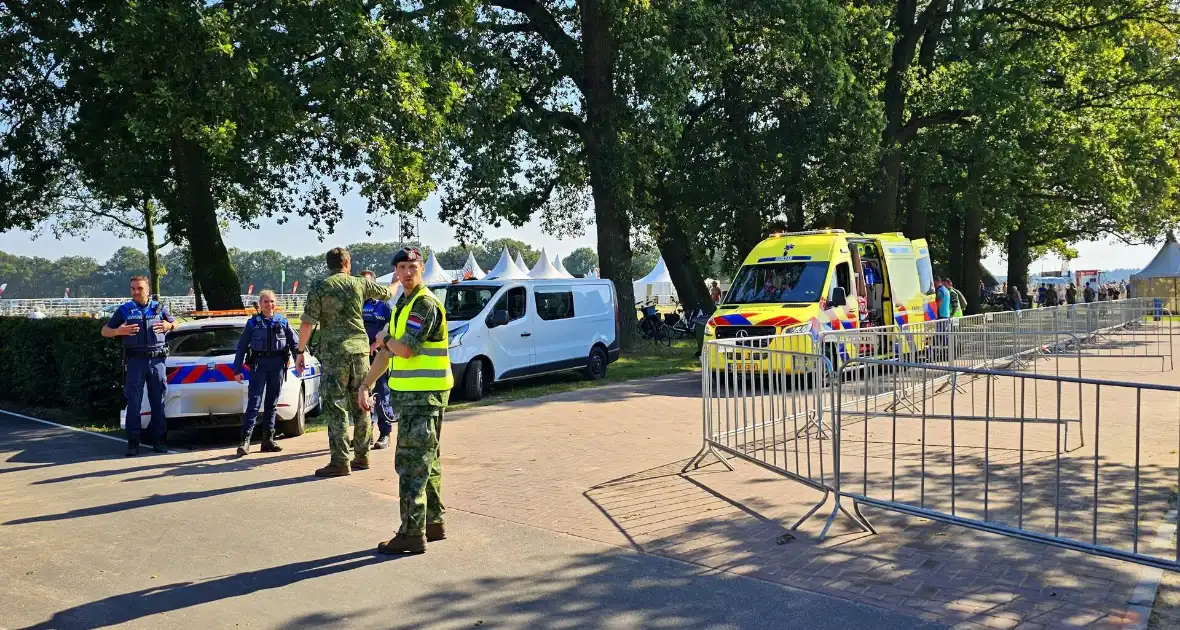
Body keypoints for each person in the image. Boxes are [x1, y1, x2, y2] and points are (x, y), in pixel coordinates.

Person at [359, 247, 453, 555]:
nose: (407, 271)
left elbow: (405, 349)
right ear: (396, 273)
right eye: (402, 267)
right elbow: (388, 352)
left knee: (411, 465)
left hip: (423, 398)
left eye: (412, 266)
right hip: (415, 398)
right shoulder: (403, 304)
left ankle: (412, 533)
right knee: (428, 461)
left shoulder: (423, 304)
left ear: (421, 268)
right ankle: (433, 522)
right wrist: (366, 383)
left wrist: (385, 339)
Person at [296, 247, 393, 477]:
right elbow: (388, 293)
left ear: (329, 265)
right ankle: (362, 456)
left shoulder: (320, 286)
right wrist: (397, 282)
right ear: (347, 264)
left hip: (334, 353)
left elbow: (308, 323)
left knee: (336, 405)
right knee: (361, 401)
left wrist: (300, 351)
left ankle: (340, 460)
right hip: (360, 351)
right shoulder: (360, 283)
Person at [102, 276, 176, 456]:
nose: (136, 292)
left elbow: (175, 323)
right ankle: (133, 442)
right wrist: (119, 331)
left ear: (148, 289)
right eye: (133, 288)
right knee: (134, 403)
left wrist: (168, 325)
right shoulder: (125, 310)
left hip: (157, 361)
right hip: (135, 362)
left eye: (140, 288)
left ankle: (159, 440)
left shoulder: (159, 308)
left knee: (157, 402)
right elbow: (104, 331)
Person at [232, 290, 299, 456]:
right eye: (266, 302)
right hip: (259, 365)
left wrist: (299, 361)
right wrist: (236, 370)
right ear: (260, 305)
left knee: (272, 402)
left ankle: (268, 439)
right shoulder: (253, 323)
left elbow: (294, 344)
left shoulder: (282, 321)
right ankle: (245, 441)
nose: (269, 305)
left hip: (277, 365)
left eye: (272, 302)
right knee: (254, 402)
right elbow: (241, 347)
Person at [361, 269, 396, 449]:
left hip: (379, 357)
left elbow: (393, 328)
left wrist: (377, 343)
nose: (366, 287)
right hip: (360, 358)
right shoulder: (355, 305)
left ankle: (385, 434)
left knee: (382, 395)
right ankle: (364, 433)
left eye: (368, 283)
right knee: (362, 396)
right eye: (362, 283)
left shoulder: (385, 306)